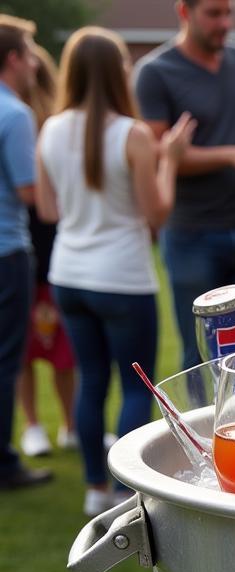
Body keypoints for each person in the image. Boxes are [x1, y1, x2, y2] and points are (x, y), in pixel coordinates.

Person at [36, 28, 193, 514]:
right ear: (118, 72)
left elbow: (47, 209)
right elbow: (157, 213)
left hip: (69, 274)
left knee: (90, 380)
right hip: (122, 276)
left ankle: (93, 489)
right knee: (130, 386)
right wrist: (171, 161)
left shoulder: (51, 128)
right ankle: (126, 492)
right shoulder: (133, 134)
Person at [134, 0, 235, 369]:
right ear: (184, 12)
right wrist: (232, 155)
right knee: (202, 356)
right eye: (214, 14)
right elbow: (157, 154)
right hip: (193, 234)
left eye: (229, 12)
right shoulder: (156, 71)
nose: (225, 23)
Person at [18, 42, 77, 458]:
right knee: (20, 344)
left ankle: (71, 424)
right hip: (17, 245)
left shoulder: (51, 119)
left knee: (63, 346)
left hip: (51, 243)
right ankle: (33, 425)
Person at [0, 15, 49, 491]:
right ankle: (3, 463)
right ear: (13, 59)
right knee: (6, 358)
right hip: (7, 250)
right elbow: (31, 192)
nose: (35, 63)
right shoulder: (14, 114)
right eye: (31, 53)